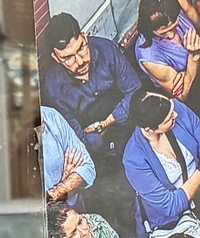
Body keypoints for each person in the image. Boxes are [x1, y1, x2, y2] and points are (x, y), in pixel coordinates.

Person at [121, 86, 200, 238]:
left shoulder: (175, 109)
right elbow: (170, 207)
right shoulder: (134, 159)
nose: (175, 114)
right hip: (172, 223)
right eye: (168, 118)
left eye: (173, 108)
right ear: (149, 128)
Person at [40, 11, 141, 159]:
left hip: (127, 119)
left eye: (81, 48)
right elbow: (77, 138)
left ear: (84, 36)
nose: (80, 61)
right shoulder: (53, 89)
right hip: (98, 146)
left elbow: (135, 90)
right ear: (55, 58)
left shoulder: (106, 49)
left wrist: (106, 123)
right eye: (68, 58)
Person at [131, 0, 200, 101]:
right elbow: (182, 96)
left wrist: (185, 75)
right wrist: (194, 58)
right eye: (163, 32)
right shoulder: (149, 58)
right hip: (195, 88)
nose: (171, 35)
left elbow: (194, 18)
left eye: (174, 27)